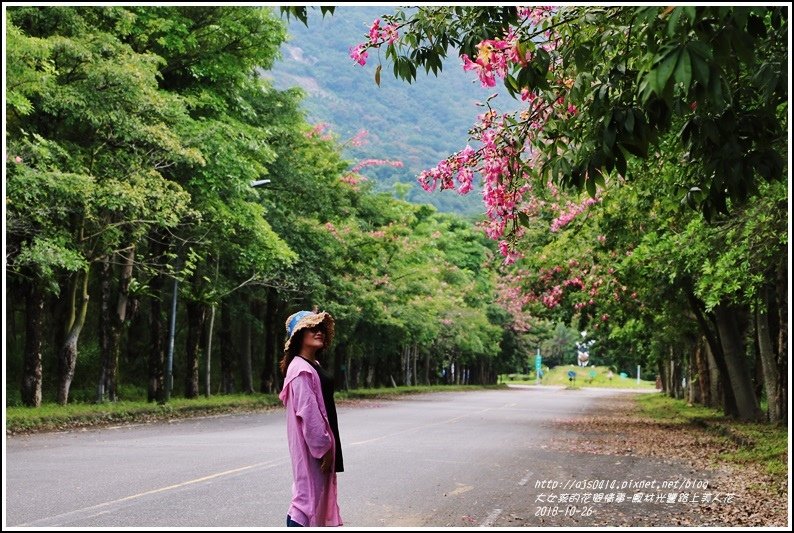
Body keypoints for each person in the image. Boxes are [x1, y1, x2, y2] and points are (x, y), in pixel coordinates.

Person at [279, 310, 343, 527]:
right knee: (305, 500)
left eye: (321, 329)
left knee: (316, 498)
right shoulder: (300, 369)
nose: (319, 332)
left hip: (322, 445)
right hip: (313, 447)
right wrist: (323, 447)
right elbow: (308, 414)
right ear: (299, 335)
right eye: (312, 328)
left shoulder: (312, 365)